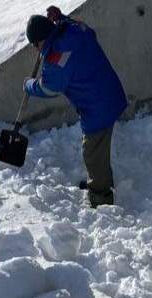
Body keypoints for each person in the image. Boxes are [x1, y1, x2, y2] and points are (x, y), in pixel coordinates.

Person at [23, 9, 127, 208]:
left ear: (40, 41)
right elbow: (87, 31)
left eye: (35, 45)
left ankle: (101, 197)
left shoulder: (57, 57)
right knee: (98, 149)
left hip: (97, 105)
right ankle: (102, 183)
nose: (36, 50)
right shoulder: (73, 30)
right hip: (108, 90)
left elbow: (49, 88)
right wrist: (61, 18)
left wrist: (28, 84)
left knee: (93, 152)